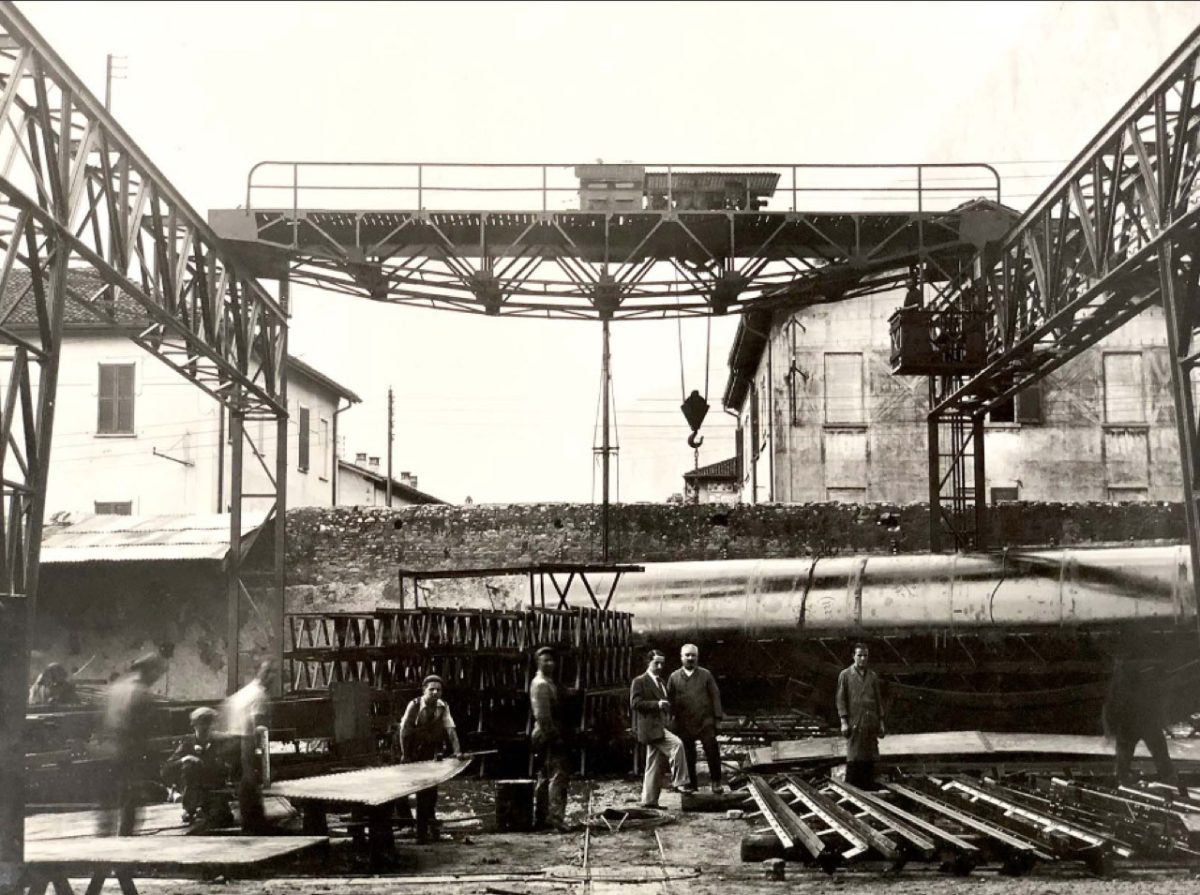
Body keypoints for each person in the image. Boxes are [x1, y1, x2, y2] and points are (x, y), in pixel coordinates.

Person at [97, 652, 166, 836]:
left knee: (109, 799)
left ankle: (101, 840)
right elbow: (144, 728)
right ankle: (125, 842)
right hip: (129, 751)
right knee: (130, 798)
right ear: (149, 671)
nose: (157, 677)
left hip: (107, 749)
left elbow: (102, 718)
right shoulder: (142, 693)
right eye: (157, 673)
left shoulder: (116, 688)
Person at [1104, 654, 1188, 799]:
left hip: (1133, 722)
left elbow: (1111, 704)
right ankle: (1166, 776)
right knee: (1156, 750)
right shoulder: (1137, 682)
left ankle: (1123, 777)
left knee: (1128, 753)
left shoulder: (1123, 681)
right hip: (1141, 721)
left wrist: (1109, 728)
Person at [397, 674, 462, 843]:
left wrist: (458, 751)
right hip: (407, 746)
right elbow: (404, 732)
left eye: (438, 690)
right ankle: (415, 829)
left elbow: (450, 730)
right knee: (409, 790)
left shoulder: (443, 706)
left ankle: (429, 829)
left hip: (426, 748)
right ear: (424, 690)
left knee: (430, 790)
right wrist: (405, 755)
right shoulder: (415, 705)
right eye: (431, 689)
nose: (435, 692)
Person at [220, 660, 274, 833]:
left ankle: (252, 823)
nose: (272, 676)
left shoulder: (244, 693)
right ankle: (254, 826)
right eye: (269, 672)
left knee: (245, 787)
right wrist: (250, 761)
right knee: (248, 783)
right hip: (243, 741)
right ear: (260, 672)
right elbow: (254, 727)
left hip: (233, 739)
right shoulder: (258, 695)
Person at [630, 649, 688, 807]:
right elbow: (635, 704)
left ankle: (649, 801)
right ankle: (680, 782)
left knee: (654, 765)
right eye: (656, 662)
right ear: (648, 662)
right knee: (677, 745)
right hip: (651, 728)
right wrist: (657, 704)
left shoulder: (661, 682)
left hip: (661, 726)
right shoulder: (639, 681)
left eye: (662, 663)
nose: (660, 666)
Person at [161, 706, 234, 828]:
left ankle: (207, 808)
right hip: (193, 788)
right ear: (194, 725)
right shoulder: (188, 743)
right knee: (189, 766)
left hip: (214, 786)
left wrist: (214, 762)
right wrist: (185, 758)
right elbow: (167, 768)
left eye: (209, 722)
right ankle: (190, 809)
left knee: (222, 819)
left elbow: (229, 765)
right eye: (202, 723)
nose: (206, 727)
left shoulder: (219, 740)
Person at [667, 643, 725, 794]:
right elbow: (669, 700)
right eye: (687, 655)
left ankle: (716, 782)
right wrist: (670, 720)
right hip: (684, 723)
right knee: (688, 755)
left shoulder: (706, 675)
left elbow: (715, 696)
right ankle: (691, 784)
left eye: (693, 655)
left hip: (705, 721)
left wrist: (717, 720)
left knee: (712, 751)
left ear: (697, 657)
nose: (690, 658)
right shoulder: (674, 677)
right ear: (681, 657)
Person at [529, 646, 573, 832]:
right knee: (557, 775)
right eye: (545, 660)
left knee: (545, 776)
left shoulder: (548, 682)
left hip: (546, 733)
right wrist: (555, 737)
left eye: (552, 660)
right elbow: (542, 716)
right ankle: (555, 818)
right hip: (547, 734)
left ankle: (542, 818)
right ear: (538, 663)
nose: (550, 664)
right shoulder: (540, 684)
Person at [836, 643, 886, 789]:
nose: (863, 658)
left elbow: (878, 700)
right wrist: (843, 721)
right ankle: (852, 787)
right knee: (854, 754)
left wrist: (881, 722)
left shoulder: (872, 676)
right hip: (854, 721)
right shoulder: (845, 675)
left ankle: (868, 786)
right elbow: (840, 700)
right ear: (853, 656)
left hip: (870, 720)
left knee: (870, 754)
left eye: (865, 656)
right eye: (859, 655)